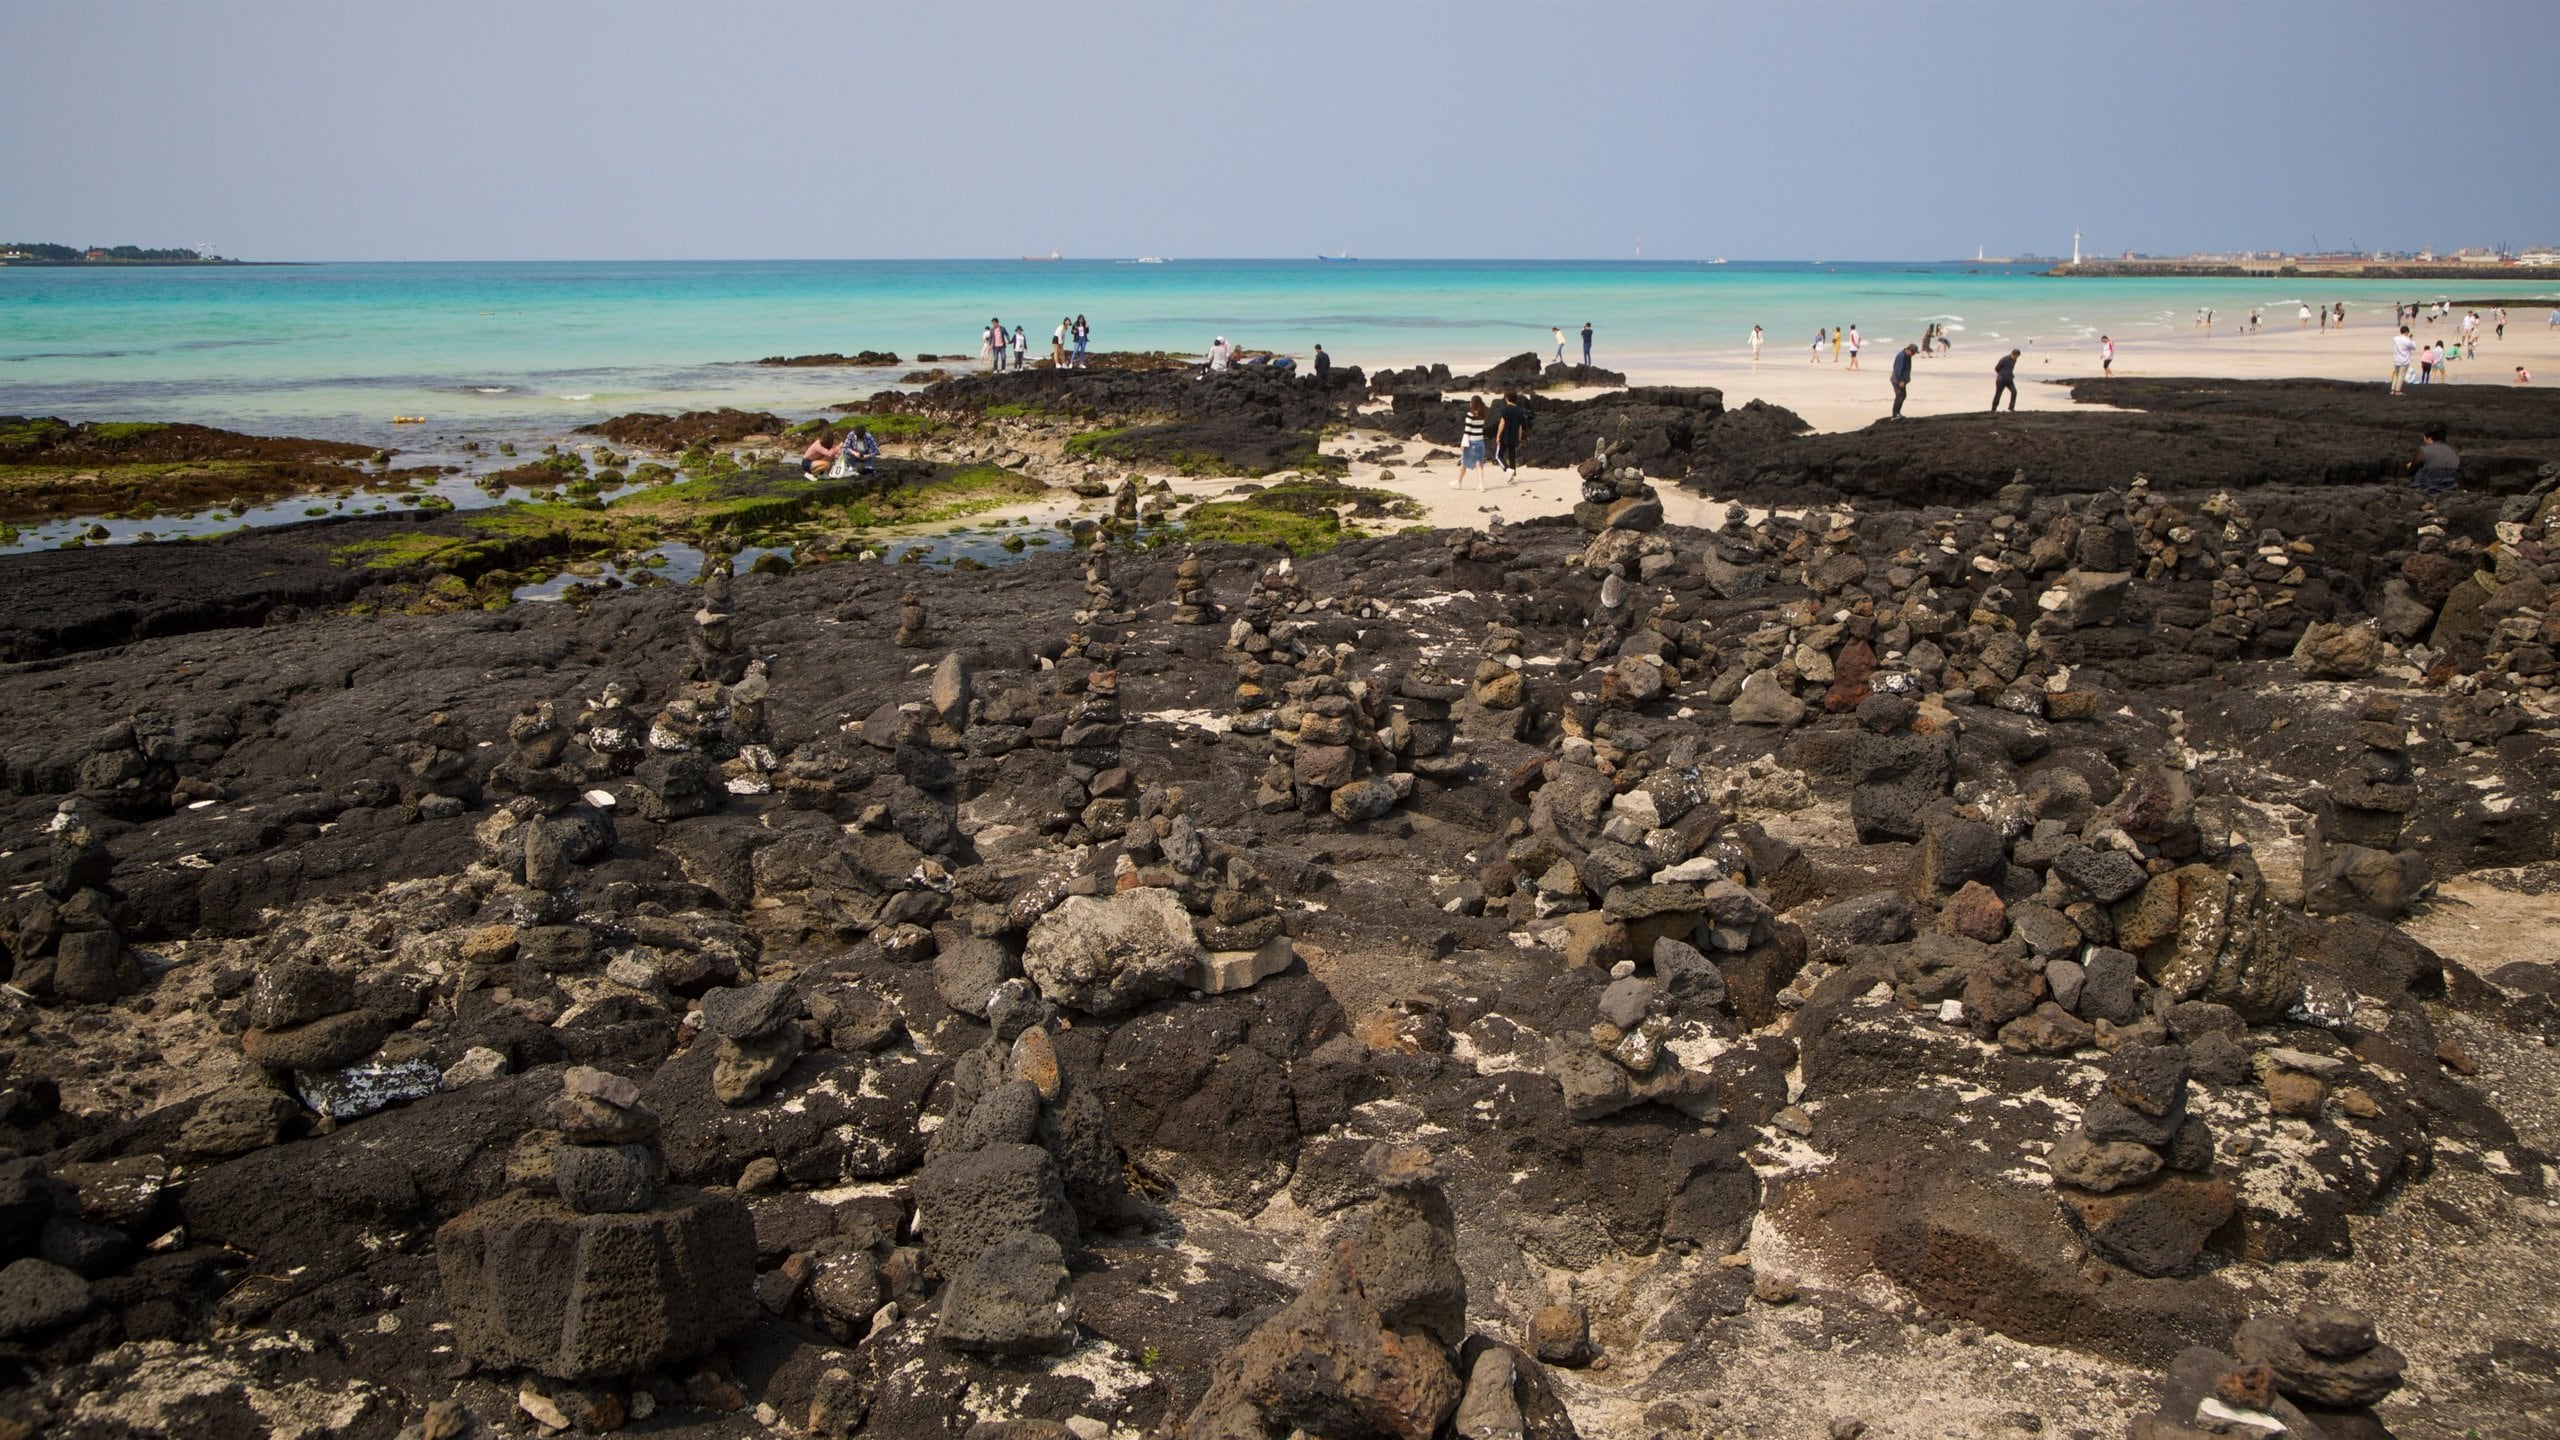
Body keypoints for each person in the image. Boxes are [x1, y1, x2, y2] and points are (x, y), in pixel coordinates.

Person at [2409, 423, 2460, 497]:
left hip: (2426, 490)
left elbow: (2411, 471)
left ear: (2429, 438)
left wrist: (2410, 466)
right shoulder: (2454, 452)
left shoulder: (2424, 451)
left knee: (2419, 471)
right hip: (2449, 490)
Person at [1493, 390, 1530, 477]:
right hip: (1514, 437)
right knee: (1512, 457)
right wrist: (1519, 439)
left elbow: (1502, 424)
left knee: (1498, 456)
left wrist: (1498, 436)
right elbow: (1520, 427)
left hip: (1504, 436)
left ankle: (1507, 469)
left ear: (1507, 398)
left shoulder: (1505, 409)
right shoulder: (1520, 411)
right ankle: (1512, 476)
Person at [1458, 396, 1489, 489]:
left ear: (1473, 403)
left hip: (1471, 442)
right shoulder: (1482, 415)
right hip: (1480, 441)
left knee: (1464, 462)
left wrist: (1463, 444)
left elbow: (1467, 431)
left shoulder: (1470, 415)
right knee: (1479, 464)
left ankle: (1458, 482)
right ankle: (1481, 484)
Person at [1889, 344, 1916, 419]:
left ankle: (1897, 413)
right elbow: (1897, 369)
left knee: (1903, 396)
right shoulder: (1901, 356)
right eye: (1913, 352)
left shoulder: (1907, 355)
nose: (1913, 354)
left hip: (1902, 380)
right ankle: (1895, 414)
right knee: (1900, 396)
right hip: (1897, 380)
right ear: (1908, 350)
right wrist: (1901, 381)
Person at [2391, 326, 2416, 394]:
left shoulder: (2395, 338)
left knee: (2396, 375)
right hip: (2404, 360)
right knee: (2401, 376)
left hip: (2396, 359)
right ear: (2407, 332)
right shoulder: (2407, 340)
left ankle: (2393, 389)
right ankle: (2398, 391)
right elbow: (2414, 347)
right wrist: (2412, 340)